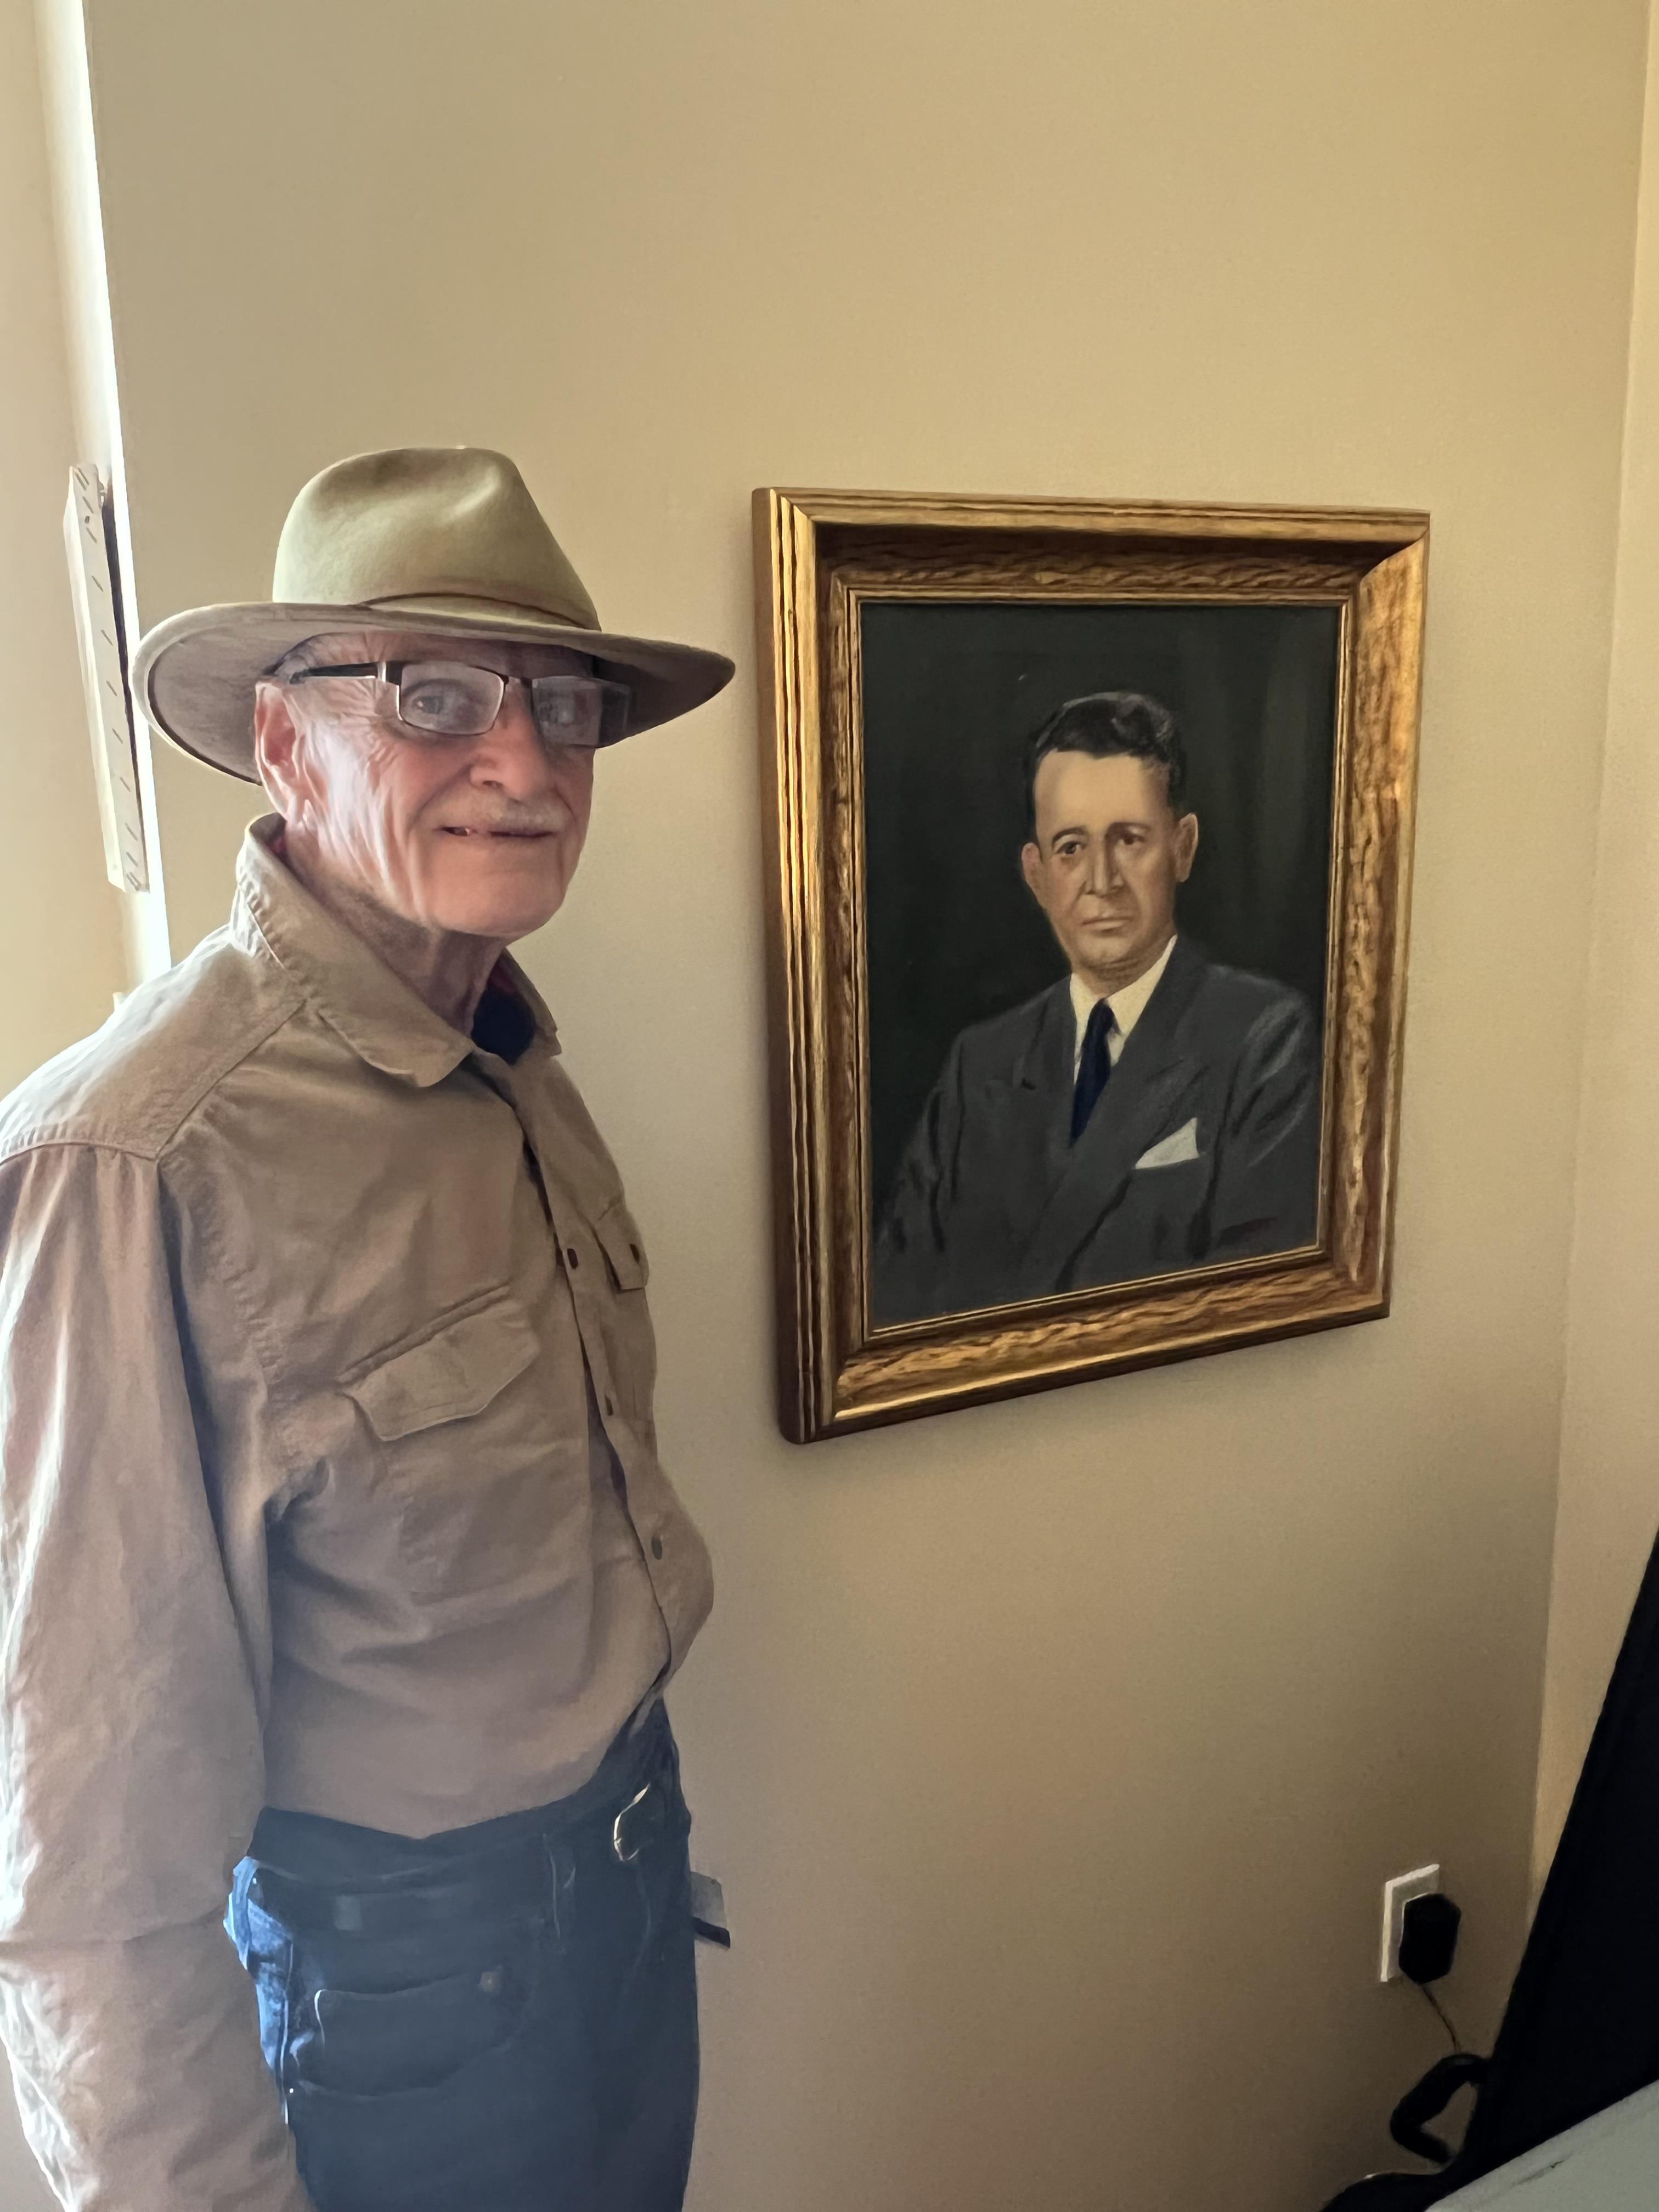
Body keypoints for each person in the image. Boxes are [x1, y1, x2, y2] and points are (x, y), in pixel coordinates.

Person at [0, 447, 733, 2212]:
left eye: (561, 701)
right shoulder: (139, 1158)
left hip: (630, 1909)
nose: (524, 759)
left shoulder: (510, 1053)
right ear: (283, 741)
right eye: (433, 694)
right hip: (410, 2021)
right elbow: (90, 1876)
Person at [873, 690, 1321, 1324]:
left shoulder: (1262, 1039)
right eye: (1071, 848)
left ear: (1183, 847)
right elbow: (897, 1297)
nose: (1101, 880)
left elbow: (1253, 1308)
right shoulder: (982, 1064)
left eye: (1130, 839)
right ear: (1036, 874)